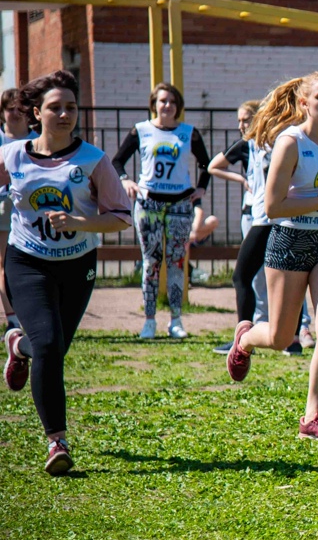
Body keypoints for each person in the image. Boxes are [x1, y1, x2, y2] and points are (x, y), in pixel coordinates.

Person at [1, 70, 132, 474]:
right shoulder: (12, 156)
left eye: (71, 107)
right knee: (50, 347)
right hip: (26, 261)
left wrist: (79, 222)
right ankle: (57, 441)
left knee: (51, 350)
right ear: (36, 113)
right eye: (55, 107)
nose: (64, 114)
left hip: (77, 265)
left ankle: (17, 346)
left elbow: (122, 218)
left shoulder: (93, 160)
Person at [225, 71, 318, 442]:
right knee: (283, 338)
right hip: (289, 240)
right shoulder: (290, 142)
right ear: (304, 104)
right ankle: (247, 338)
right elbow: (271, 206)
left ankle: (312, 416)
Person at [207, 101, 309, 356]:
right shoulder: (258, 143)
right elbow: (214, 165)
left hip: (268, 220)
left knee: (242, 276)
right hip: (275, 217)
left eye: (248, 119)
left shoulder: (276, 142)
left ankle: (244, 341)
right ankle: (292, 340)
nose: (244, 125)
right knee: (284, 279)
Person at [112, 83, 212, 339]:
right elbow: (117, 160)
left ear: (179, 106)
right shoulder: (141, 130)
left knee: (177, 261)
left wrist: (201, 189)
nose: (167, 106)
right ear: (153, 104)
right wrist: (125, 179)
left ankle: (176, 320)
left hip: (180, 202)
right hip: (148, 203)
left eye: (172, 102)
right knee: (151, 262)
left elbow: (206, 164)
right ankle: (149, 320)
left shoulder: (188, 133)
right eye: (162, 101)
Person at [0, 88, 40, 330]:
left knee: (31, 262)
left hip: (34, 208)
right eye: (9, 108)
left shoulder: (37, 141)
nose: (14, 113)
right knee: (5, 263)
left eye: (19, 109)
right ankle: (13, 318)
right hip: (5, 205)